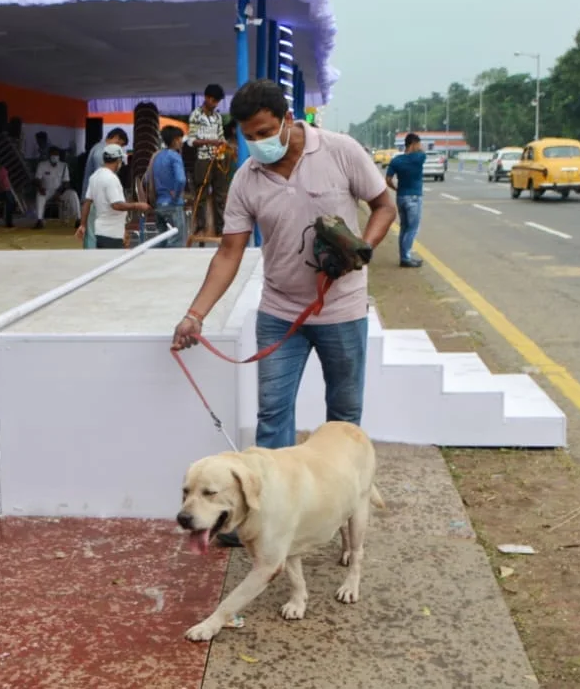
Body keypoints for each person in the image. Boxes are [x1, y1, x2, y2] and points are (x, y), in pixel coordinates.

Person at [171, 79, 396, 546]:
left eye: (265, 132)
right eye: (249, 136)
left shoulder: (339, 151)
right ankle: (265, 521)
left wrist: (362, 249)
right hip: (280, 313)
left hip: (342, 309)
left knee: (343, 422)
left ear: (288, 121)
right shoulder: (247, 178)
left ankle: (339, 517)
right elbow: (229, 253)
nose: (258, 143)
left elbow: (384, 204)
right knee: (273, 417)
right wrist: (195, 315)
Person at [76, 144, 151, 249]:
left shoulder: (94, 176)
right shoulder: (111, 179)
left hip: (100, 231)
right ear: (118, 160)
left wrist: (82, 225)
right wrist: (138, 205)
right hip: (112, 234)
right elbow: (116, 205)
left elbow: (87, 203)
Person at [187, 83, 229, 237]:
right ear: (206, 98)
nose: (215, 104)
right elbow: (191, 141)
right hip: (203, 159)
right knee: (201, 194)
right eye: (213, 100)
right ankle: (200, 227)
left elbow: (221, 136)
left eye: (217, 101)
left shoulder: (218, 116)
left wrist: (224, 144)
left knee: (220, 195)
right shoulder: (195, 115)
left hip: (218, 158)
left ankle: (221, 228)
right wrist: (211, 142)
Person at [80, 127, 130, 249]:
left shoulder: (97, 148)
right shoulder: (101, 152)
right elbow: (101, 178)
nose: (120, 148)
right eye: (120, 144)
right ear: (115, 138)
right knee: (94, 233)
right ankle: (94, 259)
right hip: (97, 200)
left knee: (92, 232)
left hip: (93, 198)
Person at [385, 133, 426, 268]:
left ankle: (404, 256)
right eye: (418, 144)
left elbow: (388, 180)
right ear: (413, 144)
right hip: (414, 196)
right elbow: (422, 151)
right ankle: (406, 257)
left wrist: (396, 189)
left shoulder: (396, 160)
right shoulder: (420, 157)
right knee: (412, 228)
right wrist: (419, 148)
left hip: (401, 196)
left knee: (404, 227)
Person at [147, 125, 188, 247]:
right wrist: (176, 195)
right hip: (173, 205)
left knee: (162, 241)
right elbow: (181, 179)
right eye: (181, 139)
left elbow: (148, 180)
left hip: (159, 204)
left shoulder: (157, 156)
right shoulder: (175, 156)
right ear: (175, 140)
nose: (182, 142)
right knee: (176, 241)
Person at [33, 146, 81, 229]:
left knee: (73, 194)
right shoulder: (42, 165)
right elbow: (37, 179)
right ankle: (39, 220)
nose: (54, 156)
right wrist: (40, 188)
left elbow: (66, 182)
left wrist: (59, 192)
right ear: (49, 155)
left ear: (59, 156)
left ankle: (78, 219)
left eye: (56, 154)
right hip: (46, 190)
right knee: (39, 195)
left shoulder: (64, 166)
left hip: (60, 191)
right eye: (52, 154)